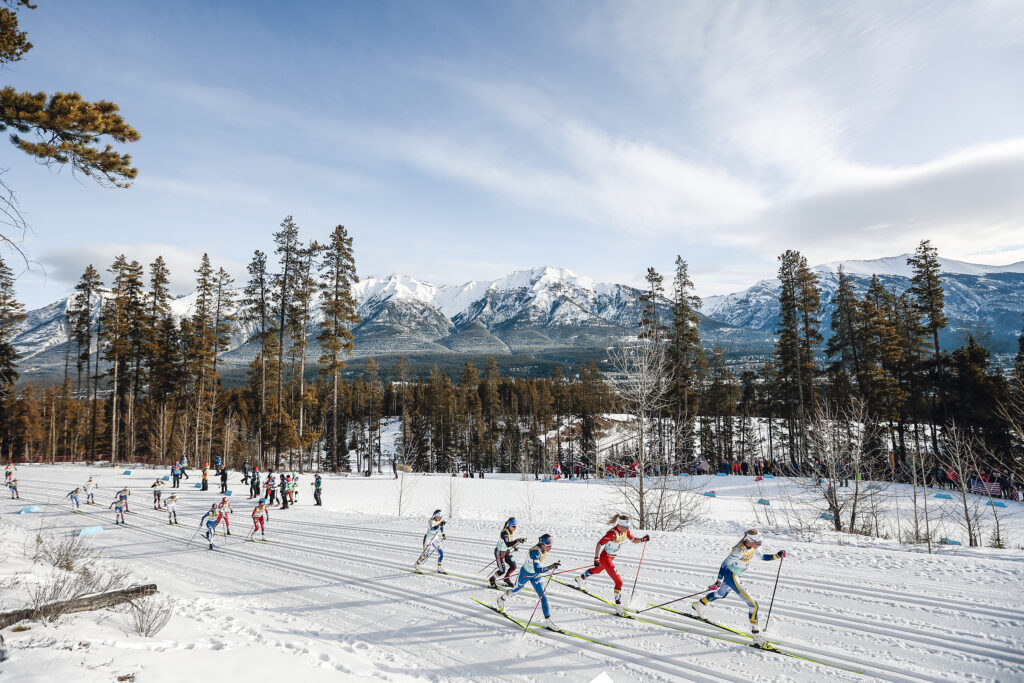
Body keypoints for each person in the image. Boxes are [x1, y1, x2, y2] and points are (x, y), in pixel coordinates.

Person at [692, 529, 786, 646]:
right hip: (732, 576)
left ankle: (699, 604)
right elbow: (724, 564)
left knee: (721, 594)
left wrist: (777, 555)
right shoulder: (738, 550)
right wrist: (718, 581)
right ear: (750, 540)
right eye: (758, 543)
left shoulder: (752, 548)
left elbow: (763, 557)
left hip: (736, 576)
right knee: (754, 605)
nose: (759, 545)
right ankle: (756, 637)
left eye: (760, 543)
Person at [574, 514, 650, 614]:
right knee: (619, 582)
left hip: (611, 557)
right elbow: (599, 544)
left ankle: (581, 578)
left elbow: (633, 540)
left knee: (597, 570)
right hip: (605, 558)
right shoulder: (612, 534)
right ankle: (618, 607)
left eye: (628, 527)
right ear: (620, 525)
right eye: (626, 527)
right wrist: (596, 558)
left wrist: (642, 539)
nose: (627, 529)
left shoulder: (625, 531)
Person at [494, 533, 562, 630]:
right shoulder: (536, 552)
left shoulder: (543, 549)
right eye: (548, 546)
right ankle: (501, 599)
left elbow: (537, 571)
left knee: (543, 596)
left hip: (535, 576)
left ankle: (548, 621)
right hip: (525, 574)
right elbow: (538, 569)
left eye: (551, 546)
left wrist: (552, 565)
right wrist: (550, 567)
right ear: (542, 544)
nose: (549, 548)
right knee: (515, 590)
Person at [489, 517, 526, 589]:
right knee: (502, 570)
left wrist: (514, 546)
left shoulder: (511, 530)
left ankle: (506, 578)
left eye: (515, 526)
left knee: (513, 566)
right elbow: (508, 544)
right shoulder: (504, 533)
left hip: (506, 551)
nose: (515, 528)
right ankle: (492, 580)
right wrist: (517, 540)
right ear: (509, 525)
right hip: (499, 552)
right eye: (513, 526)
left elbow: (510, 540)